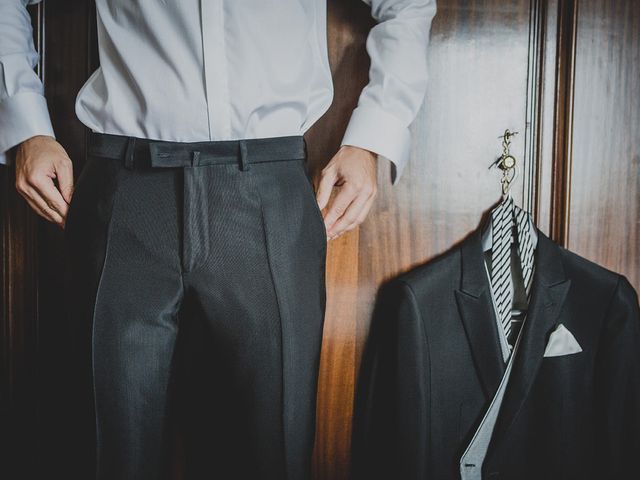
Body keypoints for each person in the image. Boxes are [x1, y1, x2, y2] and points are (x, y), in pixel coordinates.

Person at [0, 0, 437, 478]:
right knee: (108, 454)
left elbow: (408, 5)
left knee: (275, 451)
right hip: (125, 192)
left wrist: (372, 138)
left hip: (268, 197)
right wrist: (27, 127)